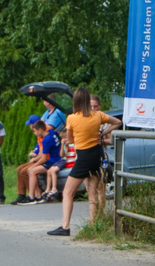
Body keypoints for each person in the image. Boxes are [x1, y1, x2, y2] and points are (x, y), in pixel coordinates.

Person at [48, 88, 121, 236]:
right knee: (93, 192)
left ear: (75, 101)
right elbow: (118, 122)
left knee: (68, 193)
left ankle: (65, 226)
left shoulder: (72, 118)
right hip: (97, 154)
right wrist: (102, 133)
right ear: (88, 100)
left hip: (83, 157)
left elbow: (70, 140)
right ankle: (94, 224)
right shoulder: (98, 115)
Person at [25, 120, 61, 203]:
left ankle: (31, 197)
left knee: (31, 171)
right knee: (31, 170)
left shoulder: (46, 140)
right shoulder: (51, 133)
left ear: (40, 130)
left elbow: (44, 159)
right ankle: (36, 195)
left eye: (35, 131)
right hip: (57, 158)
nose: (34, 133)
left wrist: (34, 165)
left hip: (53, 161)